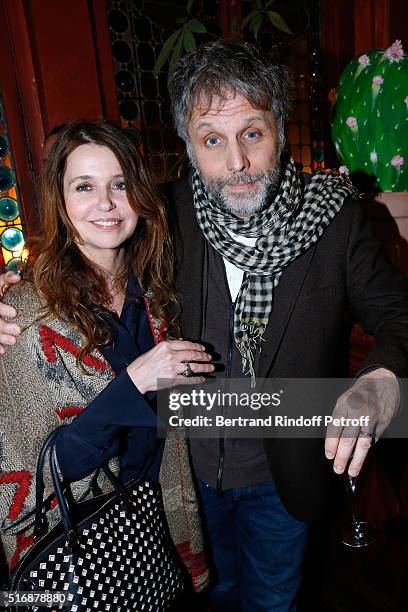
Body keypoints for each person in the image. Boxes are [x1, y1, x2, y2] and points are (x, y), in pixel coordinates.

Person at [1, 41, 407, 611]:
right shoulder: (169, 213)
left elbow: (398, 312)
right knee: (212, 598)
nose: (235, 162)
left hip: (281, 475)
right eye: (213, 140)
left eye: (253, 133)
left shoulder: (333, 216)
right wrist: (13, 290)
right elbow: (87, 243)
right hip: (183, 475)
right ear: (190, 147)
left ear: (280, 131)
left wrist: (383, 375)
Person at [0, 120, 213, 604]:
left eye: (119, 184)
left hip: (154, 537)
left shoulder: (156, 297)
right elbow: (30, 475)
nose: (107, 203)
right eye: (84, 187)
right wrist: (132, 385)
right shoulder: (27, 316)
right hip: (82, 558)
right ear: (60, 201)